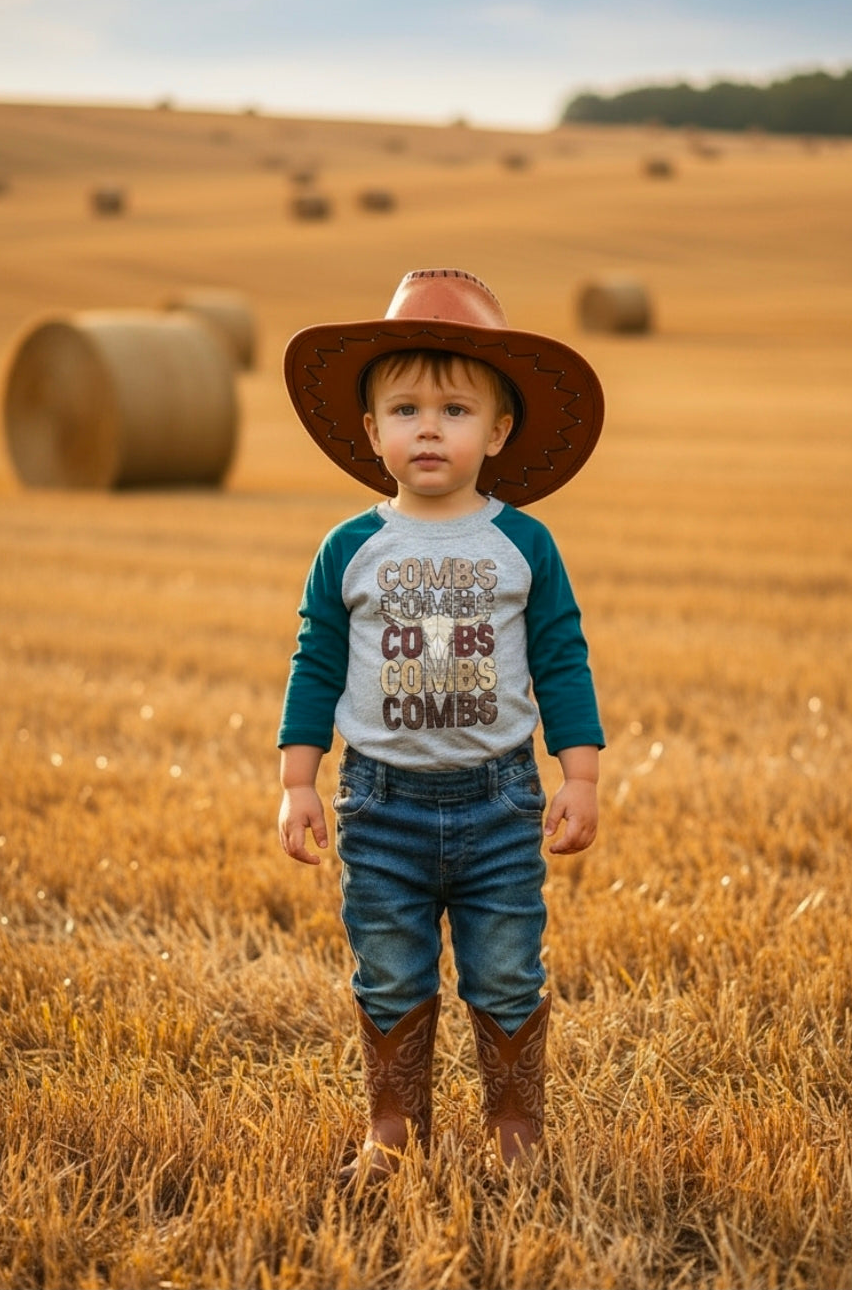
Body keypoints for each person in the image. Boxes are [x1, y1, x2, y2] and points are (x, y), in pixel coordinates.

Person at [277, 268, 605, 1185]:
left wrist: (579, 775)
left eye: (456, 410)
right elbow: (316, 665)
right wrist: (298, 780)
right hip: (380, 803)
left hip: (501, 800)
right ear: (372, 430)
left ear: (499, 432)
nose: (430, 426)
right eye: (407, 408)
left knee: (506, 970)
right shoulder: (350, 549)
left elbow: (562, 661)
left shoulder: (524, 544)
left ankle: (514, 1124)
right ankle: (394, 1127)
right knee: (388, 971)